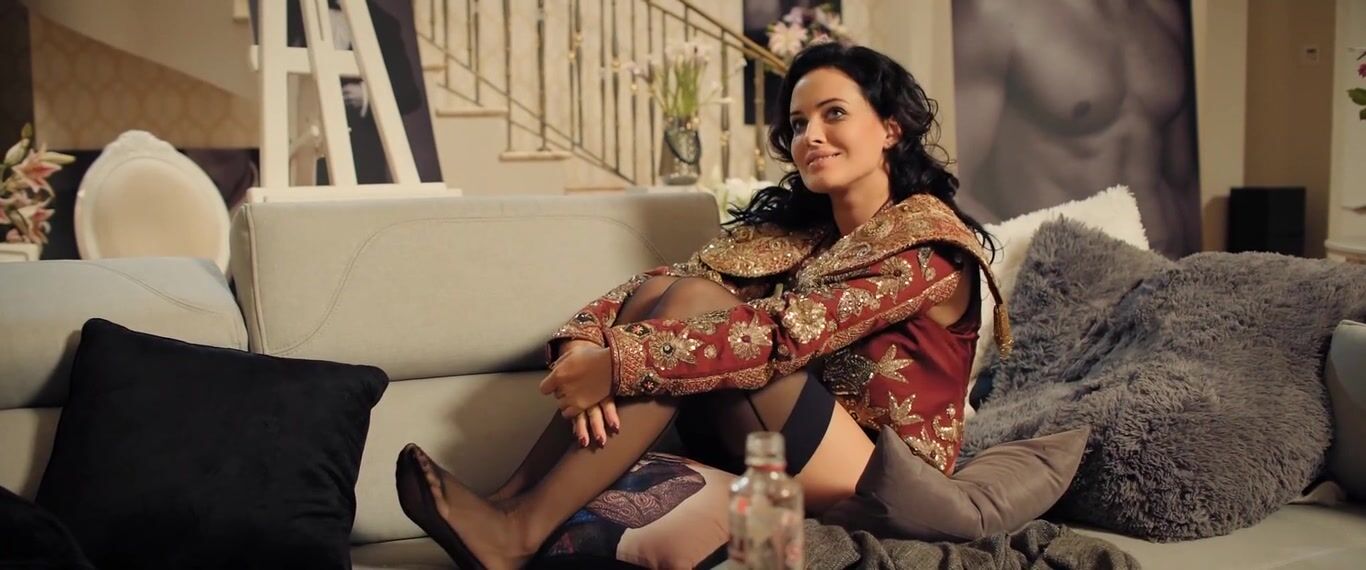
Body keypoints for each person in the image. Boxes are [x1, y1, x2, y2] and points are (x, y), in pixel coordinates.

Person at [394, 42, 1013, 569]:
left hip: (884, 480)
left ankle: (521, 532)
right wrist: (585, 340)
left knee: (692, 307)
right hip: (794, 444)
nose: (812, 136)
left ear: (891, 129)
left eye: (834, 114)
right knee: (670, 295)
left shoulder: (931, 246)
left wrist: (620, 365)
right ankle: (508, 503)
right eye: (798, 123)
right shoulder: (809, 234)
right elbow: (663, 282)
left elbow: (786, 332)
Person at [952, 0, 1201, 258]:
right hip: (1069, 266)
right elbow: (952, 187)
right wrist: (1025, 264)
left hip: (1167, 256)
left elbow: (1182, 178)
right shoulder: (994, 11)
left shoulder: (1163, 10)